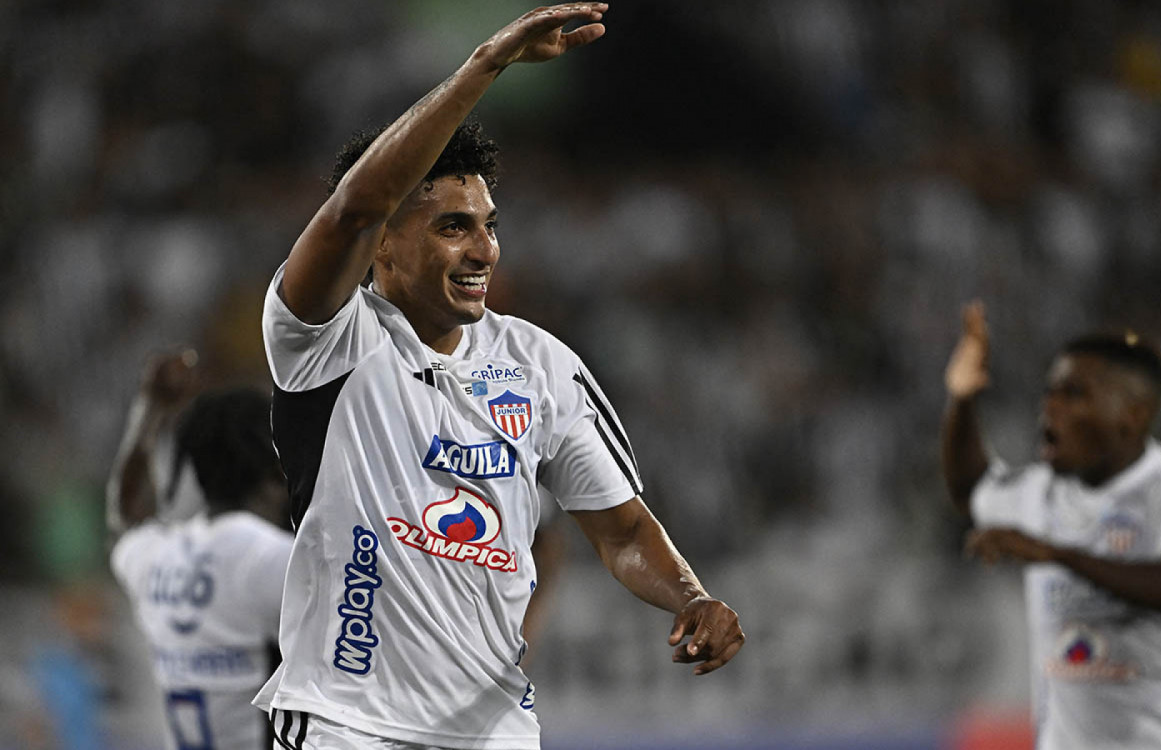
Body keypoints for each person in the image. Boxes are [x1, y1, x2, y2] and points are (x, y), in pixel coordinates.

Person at [254, 3, 745, 747]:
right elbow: (354, 206)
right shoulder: (325, 341)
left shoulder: (542, 366)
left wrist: (692, 595)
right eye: (454, 226)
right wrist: (484, 67)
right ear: (383, 245)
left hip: (495, 732)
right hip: (346, 723)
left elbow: (621, 531)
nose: (485, 248)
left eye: (490, 224)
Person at [940, 300, 1161, 749]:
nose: (1050, 407)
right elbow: (971, 490)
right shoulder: (1041, 493)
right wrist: (962, 398)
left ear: (1133, 414)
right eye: (1050, 391)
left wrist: (1059, 554)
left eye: (1073, 394)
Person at [108, 351, 294, 750]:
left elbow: (126, 516)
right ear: (276, 467)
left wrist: (150, 408)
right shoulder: (277, 562)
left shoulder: (157, 558)